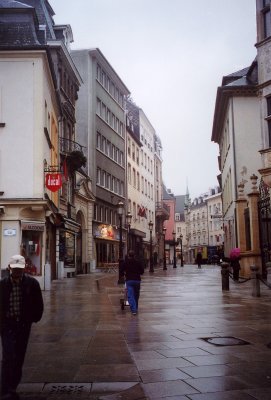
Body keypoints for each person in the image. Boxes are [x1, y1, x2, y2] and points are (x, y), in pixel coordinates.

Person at [0, 255, 44, 399]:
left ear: (24, 268)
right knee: (8, 355)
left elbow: (38, 303)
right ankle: (5, 389)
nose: (17, 271)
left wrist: (33, 319)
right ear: (9, 269)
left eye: (20, 269)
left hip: (23, 325)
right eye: (15, 269)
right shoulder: (2, 284)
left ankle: (13, 386)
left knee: (19, 356)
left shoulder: (32, 284)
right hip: (7, 324)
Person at [122, 250, 144, 315]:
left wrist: (125, 273)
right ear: (134, 256)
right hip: (137, 280)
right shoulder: (138, 262)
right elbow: (142, 271)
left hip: (129, 281)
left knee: (130, 295)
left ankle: (134, 309)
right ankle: (136, 307)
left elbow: (121, 270)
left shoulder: (126, 262)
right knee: (136, 295)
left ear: (128, 255)